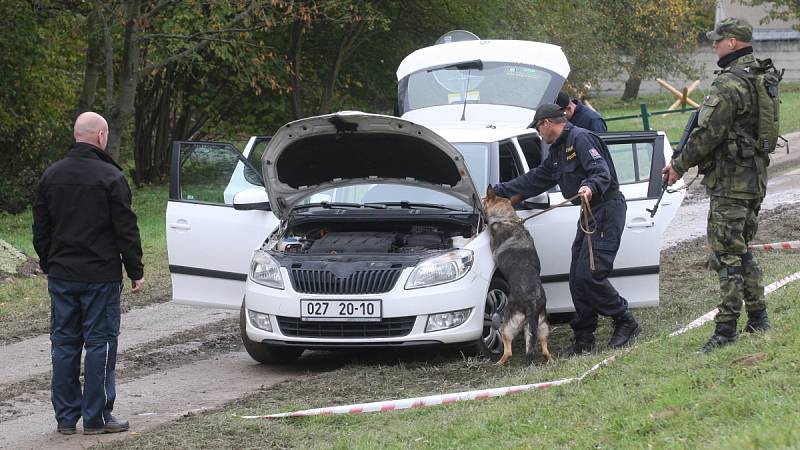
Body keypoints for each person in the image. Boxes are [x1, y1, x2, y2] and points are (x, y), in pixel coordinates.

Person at [493, 103, 640, 355]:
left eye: (539, 128)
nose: (539, 134)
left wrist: (589, 186)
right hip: (589, 213)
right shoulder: (559, 150)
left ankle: (625, 319)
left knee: (590, 275)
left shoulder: (581, 138)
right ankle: (584, 338)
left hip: (605, 209)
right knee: (576, 277)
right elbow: (537, 178)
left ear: (547, 123)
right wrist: (499, 190)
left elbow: (600, 171)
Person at [662, 18, 770, 353]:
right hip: (754, 178)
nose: (714, 45)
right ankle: (758, 317)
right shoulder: (760, 75)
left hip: (731, 183)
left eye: (718, 40)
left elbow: (708, 134)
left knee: (726, 256)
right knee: (740, 248)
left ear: (734, 42)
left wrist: (679, 165)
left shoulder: (729, 83)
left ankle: (726, 330)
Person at [33, 112, 144, 435]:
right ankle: (96, 416)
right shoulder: (111, 177)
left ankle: (66, 418)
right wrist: (134, 269)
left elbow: (40, 228)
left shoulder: (51, 175)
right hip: (100, 277)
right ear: (100, 137)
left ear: (76, 134)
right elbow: (126, 229)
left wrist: (49, 261)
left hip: (63, 275)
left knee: (64, 343)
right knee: (101, 343)